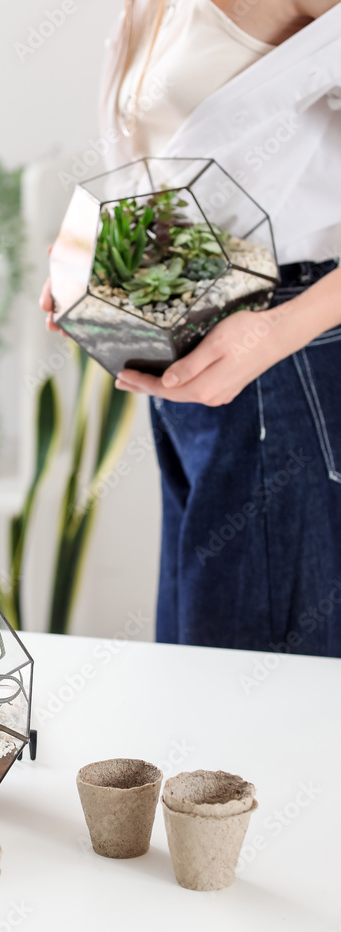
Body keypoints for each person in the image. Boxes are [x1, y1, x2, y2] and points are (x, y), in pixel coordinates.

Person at [40, 0, 341, 655]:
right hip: (197, 335)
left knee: (254, 682)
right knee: (197, 652)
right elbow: (172, 159)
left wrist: (276, 331)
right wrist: (100, 254)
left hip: (282, 352)